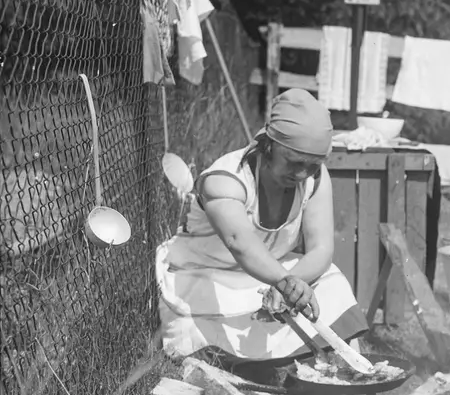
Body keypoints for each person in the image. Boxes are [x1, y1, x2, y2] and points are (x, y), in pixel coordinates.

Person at [156, 89, 368, 377]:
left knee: (331, 281)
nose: (303, 174)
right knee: (198, 332)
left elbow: (320, 249)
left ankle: (336, 373)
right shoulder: (225, 181)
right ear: (270, 145)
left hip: (268, 280)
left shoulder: (315, 179)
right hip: (204, 277)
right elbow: (238, 242)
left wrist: (292, 285)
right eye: (293, 162)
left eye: (312, 165)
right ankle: (257, 370)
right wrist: (283, 281)